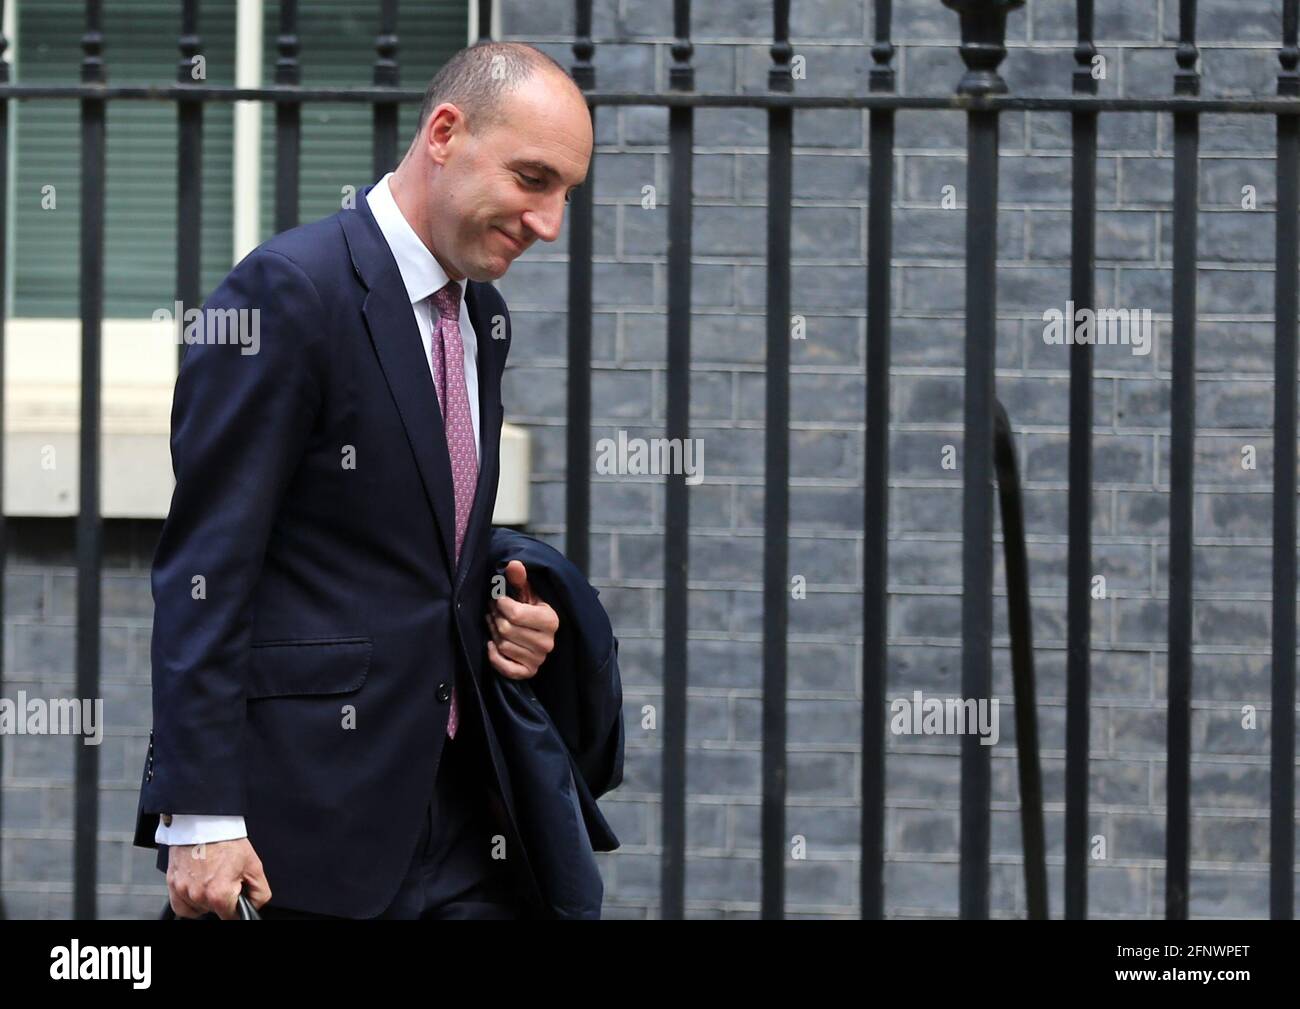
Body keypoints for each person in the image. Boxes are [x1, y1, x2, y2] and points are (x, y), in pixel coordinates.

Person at [132, 40, 594, 919]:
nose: (548, 224)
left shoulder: (482, 319)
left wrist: (508, 607)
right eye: (533, 179)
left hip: (462, 817)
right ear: (445, 133)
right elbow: (206, 566)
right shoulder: (287, 293)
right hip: (302, 832)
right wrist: (199, 815)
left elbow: (409, 526)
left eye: (565, 193)